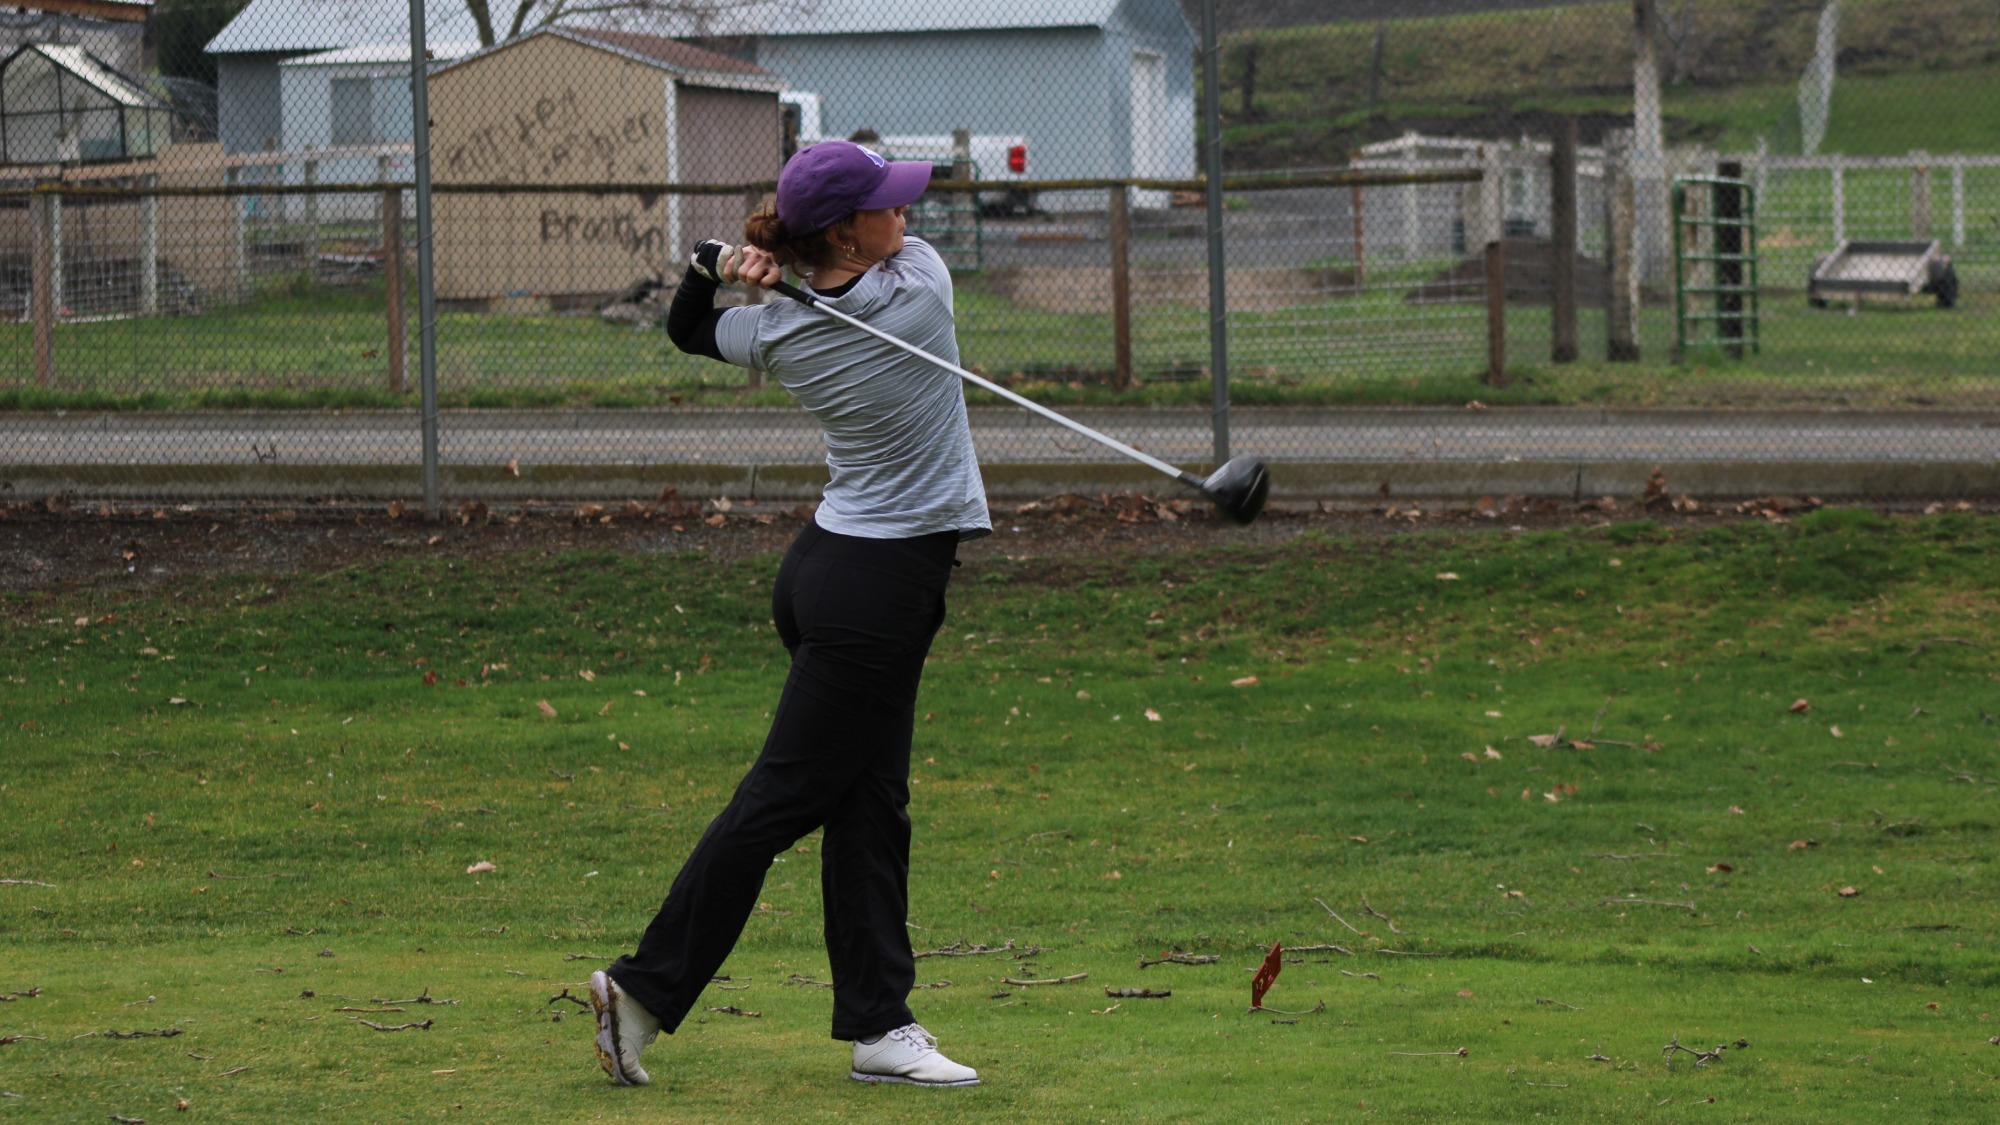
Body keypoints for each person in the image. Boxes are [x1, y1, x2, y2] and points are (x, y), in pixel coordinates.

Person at [588, 140, 987, 1090]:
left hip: (827, 569)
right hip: (876, 593)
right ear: (850, 231)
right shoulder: (920, 291)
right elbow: (889, 262)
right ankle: (641, 990)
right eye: (888, 204)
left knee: (869, 802)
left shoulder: (777, 331)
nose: (908, 216)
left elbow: (691, 330)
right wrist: (778, 277)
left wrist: (714, 269)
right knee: (781, 802)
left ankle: (881, 1023)